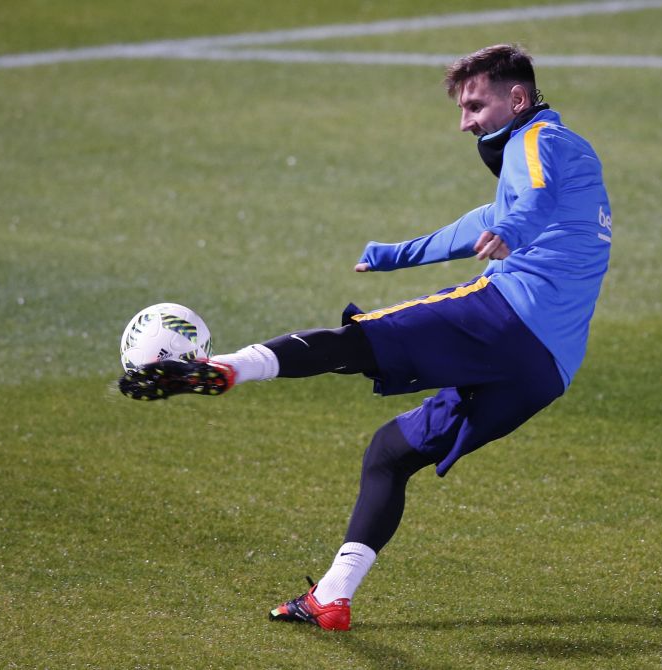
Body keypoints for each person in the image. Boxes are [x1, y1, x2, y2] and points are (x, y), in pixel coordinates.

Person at [119, 43, 612, 631]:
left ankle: (226, 368)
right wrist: (393, 255)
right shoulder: (569, 157)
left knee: (353, 343)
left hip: (506, 315)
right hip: (547, 370)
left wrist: (514, 228)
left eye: (476, 107)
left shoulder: (539, 142)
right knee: (390, 453)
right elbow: (484, 221)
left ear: (519, 99)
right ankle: (331, 598)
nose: (465, 123)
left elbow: (530, 202)